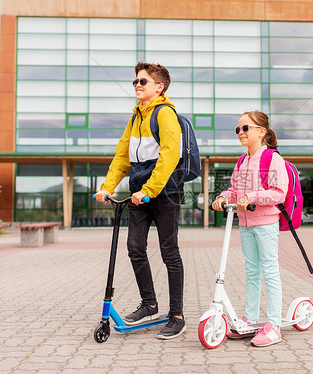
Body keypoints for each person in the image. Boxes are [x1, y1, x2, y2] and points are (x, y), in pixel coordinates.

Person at [94, 62, 186, 340]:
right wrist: (107, 186)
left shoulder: (165, 114)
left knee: (169, 252)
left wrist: (150, 189)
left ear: (159, 87)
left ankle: (177, 315)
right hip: (139, 193)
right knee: (135, 246)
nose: (137, 85)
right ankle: (149, 304)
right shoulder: (135, 118)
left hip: (164, 192)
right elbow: (122, 156)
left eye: (143, 81)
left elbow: (170, 155)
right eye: (135, 81)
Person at [212, 110, 288, 347]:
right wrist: (224, 196)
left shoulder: (272, 159)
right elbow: (235, 190)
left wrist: (253, 196)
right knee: (252, 272)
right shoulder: (242, 161)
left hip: (266, 223)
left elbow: (279, 192)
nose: (240, 133)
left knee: (270, 271)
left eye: (245, 128)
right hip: (245, 224)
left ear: (261, 131)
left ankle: (274, 325)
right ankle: (250, 318)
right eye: (238, 129)